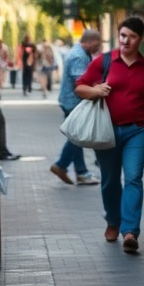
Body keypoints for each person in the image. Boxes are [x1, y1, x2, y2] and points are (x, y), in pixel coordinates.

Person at [75, 16, 144, 254]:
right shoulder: (104, 61)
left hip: (137, 131)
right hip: (107, 132)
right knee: (110, 180)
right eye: (123, 35)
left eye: (132, 37)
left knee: (133, 178)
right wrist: (95, 90)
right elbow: (80, 87)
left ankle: (131, 231)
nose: (126, 40)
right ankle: (114, 221)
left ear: (140, 39)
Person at [50, 29, 102, 186]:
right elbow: (80, 82)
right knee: (78, 137)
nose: (98, 48)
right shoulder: (79, 56)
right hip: (74, 103)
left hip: (69, 101)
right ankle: (61, 165)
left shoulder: (78, 52)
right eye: (97, 45)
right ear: (91, 41)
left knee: (76, 135)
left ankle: (81, 172)